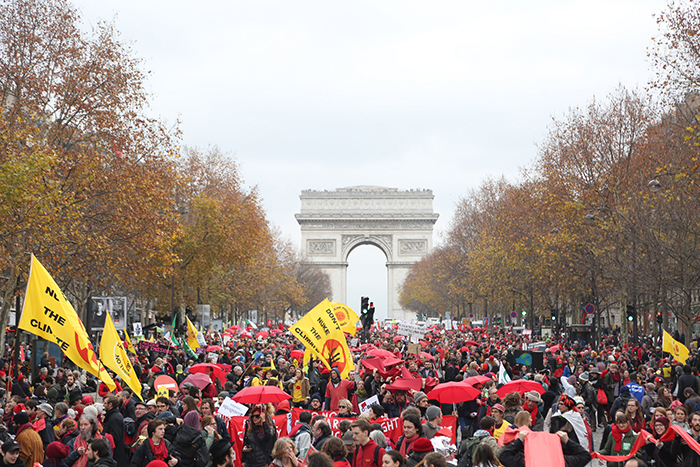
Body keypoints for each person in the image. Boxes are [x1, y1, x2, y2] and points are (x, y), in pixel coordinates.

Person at [103, 395, 127, 466]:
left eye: (105, 403)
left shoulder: (115, 418)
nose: (103, 405)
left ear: (110, 404)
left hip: (115, 454)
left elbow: (115, 437)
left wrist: (103, 435)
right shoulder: (112, 416)